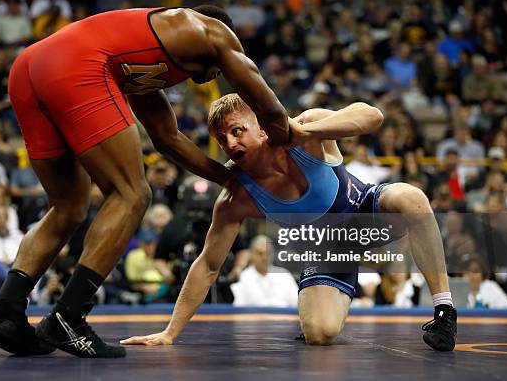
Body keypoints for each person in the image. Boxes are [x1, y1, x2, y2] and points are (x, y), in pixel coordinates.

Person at [0, 6, 291, 358]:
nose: (216, 74)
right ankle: (69, 317)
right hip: (75, 63)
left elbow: (167, 138)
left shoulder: (147, 59)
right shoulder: (210, 30)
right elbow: (269, 109)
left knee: (67, 206)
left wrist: (229, 179)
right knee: (132, 193)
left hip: (30, 66)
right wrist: (289, 151)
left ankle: (5, 311)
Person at [121, 94, 457, 351]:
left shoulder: (307, 131)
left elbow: (373, 116)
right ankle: (330, 295)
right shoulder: (237, 197)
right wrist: (170, 332)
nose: (231, 144)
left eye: (237, 131)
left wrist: (306, 129)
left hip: (367, 211)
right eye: (222, 139)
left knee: (411, 198)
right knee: (320, 334)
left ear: (262, 128)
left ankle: (444, 312)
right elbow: (208, 263)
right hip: (327, 248)